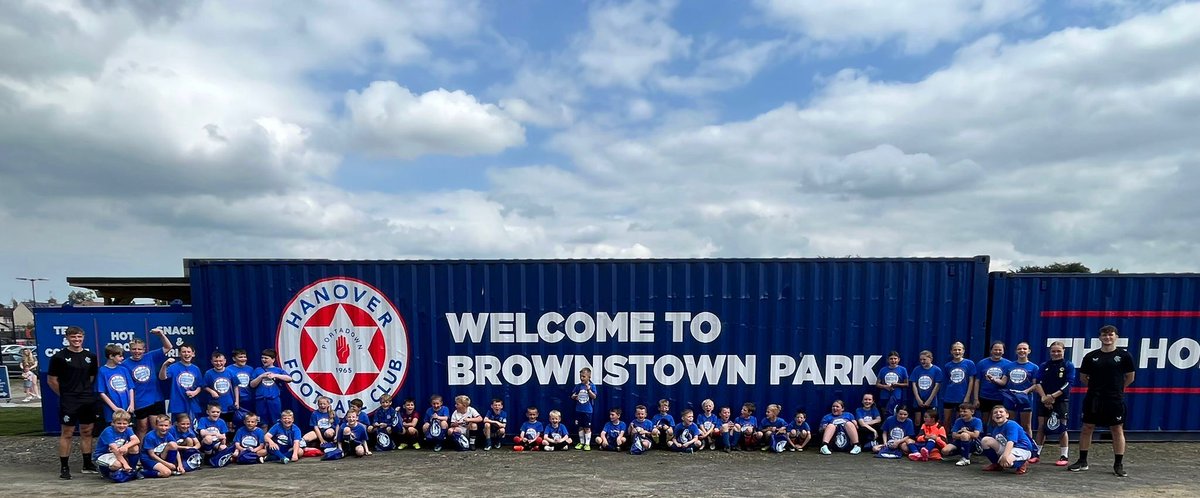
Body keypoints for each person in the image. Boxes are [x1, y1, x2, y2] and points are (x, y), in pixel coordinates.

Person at [1070, 325, 1135, 477]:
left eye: (1110, 335)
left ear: (1116, 337)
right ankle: (1082, 461)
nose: (1107, 337)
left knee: (1117, 429)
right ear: (1099, 338)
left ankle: (1118, 464)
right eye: (1104, 335)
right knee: (1087, 428)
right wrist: (1096, 388)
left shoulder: (1124, 356)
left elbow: (1130, 377)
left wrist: (1118, 389)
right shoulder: (1091, 356)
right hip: (1094, 398)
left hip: (1114, 400)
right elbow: (1083, 377)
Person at [49, 326, 100, 479]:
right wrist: (65, 395)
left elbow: (91, 377)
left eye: (79, 337)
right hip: (69, 400)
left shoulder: (90, 356)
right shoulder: (59, 357)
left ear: (83, 337)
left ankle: (87, 464)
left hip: (87, 399)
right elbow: (51, 380)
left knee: (87, 431)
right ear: (67, 338)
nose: (76, 340)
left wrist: (83, 391)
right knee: (67, 433)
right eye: (73, 337)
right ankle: (64, 467)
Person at [123, 328, 173, 442]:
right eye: (134, 349)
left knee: (157, 427)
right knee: (142, 427)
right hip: (139, 400)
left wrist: (161, 334)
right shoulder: (125, 364)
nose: (137, 351)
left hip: (155, 398)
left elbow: (168, 347)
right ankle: (140, 455)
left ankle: (157, 452)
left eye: (139, 349)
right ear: (129, 350)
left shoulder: (149, 356)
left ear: (144, 349)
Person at [1035, 340, 1076, 466]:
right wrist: (1044, 397)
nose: (1056, 353)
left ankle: (1064, 456)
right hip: (1044, 400)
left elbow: (1069, 383)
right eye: (1053, 351)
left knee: (1062, 428)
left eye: (1059, 351)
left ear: (1064, 351)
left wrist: (1052, 396)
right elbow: (1037, 382)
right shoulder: (1044, 365)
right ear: (1050, 352)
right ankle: (1036, 453)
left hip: (1061, 401)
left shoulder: (1068, 365)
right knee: (1041, 427)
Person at [981, 405, 1035, 475]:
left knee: (1005, 462)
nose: (998, 413)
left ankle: (1022, 463)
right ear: (992, 417)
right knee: (985, 440)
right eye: (995, 413)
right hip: (1009, 448)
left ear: (1007, 415)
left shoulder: (1011, 424)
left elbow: (1011, 441)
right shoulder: (995, 429)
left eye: (1001, 412)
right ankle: (996, 465)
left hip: (1022, 448)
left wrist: (1005, 456)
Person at [1004, 342, 1040, 440]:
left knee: (1026, 425)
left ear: (1029, 351)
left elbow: (1036, 385)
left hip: (1025, 398)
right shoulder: (1009, 366)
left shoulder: (1034, 367)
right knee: (1010, 423)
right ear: (1016, 351)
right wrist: (993, 379)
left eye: (1024, 349)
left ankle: (1029, 447)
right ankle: (1011, 444)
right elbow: (1004, 382)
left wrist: (1025, 391)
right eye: (1019, 349)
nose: (1022, 351)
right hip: (1010, 397)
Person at [159, 343, 202, 423]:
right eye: (184, 352)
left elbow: (200, 385)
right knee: (178, 427)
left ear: (193, 354)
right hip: (177, 404)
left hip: (192, 404)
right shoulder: (173, 367)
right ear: (179, 354)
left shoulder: (196, 369)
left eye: (189, 352)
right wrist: (164, 365)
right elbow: (162, 377)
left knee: (193, 427)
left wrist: (195, 392)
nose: (186, 354)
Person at [250, 349, 290, 428]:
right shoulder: (258, 370)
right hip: (260, 400)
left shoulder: (278, 370)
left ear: (273, 359)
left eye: (266, 358)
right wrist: (261, 376)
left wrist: (275, 375)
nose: (263, 360)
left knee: (276, 422)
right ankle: (263, 439)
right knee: (262, 423)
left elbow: (289, 379)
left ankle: (276, 439)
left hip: (274, 400)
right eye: (262, 358)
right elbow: (252, 385)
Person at [96, 344, 135, 424]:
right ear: (111, 356)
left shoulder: (124, 370)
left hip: (126, 408)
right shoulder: (102, 371)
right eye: (120, 356)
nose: (122, 358)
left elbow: (130, 388)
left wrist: (132, 404)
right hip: (111, 410)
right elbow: (101, 392)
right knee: (114, 430)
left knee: (127, 430)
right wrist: (114, 408)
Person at [93, 410, 140, 477]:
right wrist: (125, 464)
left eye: (124, 423)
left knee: (135, 448)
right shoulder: (108, 431)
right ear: (113, 423)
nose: (122, 426)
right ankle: (105, 471)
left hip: (118, 452)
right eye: (119, 423)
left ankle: (132, 469)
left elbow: (136, 440)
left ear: (128, 424)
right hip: (104, 454)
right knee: (118, 465)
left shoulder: (128, 429)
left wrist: (126, 446)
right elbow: (114, 450)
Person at [975, 341, 1014, 419]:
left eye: (1000, 350)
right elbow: (977, 381)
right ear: (991, 351)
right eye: (995, 350)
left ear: (1003, 351)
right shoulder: (982, 363)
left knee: (997, 420)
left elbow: (1005, 382)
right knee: (984, 421)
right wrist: (976, 399)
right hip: (985, 396)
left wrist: (994, 380)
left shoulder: (1009, 364)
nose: (997, 352)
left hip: (1000, 398)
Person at [942, 342, 977, 428]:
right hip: (949, 396)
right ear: (951, 351)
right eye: (955, 350)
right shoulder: (948, 365)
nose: (957, 352)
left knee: (960, 420)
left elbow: (971, 381)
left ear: (963, 351)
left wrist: (967, 397)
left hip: (962, 397)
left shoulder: (969, 363)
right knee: (946, 420)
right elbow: (946, 381)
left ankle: (957, 439)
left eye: (959, 350)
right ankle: (944, 438)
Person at [203, 351, 238, 423]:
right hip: (215, 405)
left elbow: (236, 387)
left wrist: (237, 401)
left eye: (220, 361)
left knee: (230, 427)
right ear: (211, 362)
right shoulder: (208, 373)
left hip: (229, 405)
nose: (218, 363)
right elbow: (204, 386)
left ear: (225, 361)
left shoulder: (230, 372)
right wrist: (211, 391)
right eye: (215, 361)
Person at [570, 367, 597, 451]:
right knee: (580, 427)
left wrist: (589, 390)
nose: (582, 378)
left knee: (587, 427)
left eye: (584, 376)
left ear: (589, 377)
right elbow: (572, 395)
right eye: (581, 376)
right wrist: (575, 397)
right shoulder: (578, 386)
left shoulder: (592, 386)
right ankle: (581, 442)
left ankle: (587, 444)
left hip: (587, 411)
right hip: (579, 410)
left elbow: (594, 396)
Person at [911, 350, 943, 417]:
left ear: (931, 359)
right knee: (918, 421)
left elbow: (937, 386)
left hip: (931, 401)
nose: (922, 361)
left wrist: (929, 400)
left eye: (924, 359)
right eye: (921, 359)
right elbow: (914, 385)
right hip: (918, 400)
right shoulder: (916, 369)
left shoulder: (937, 370)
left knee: (930, 419)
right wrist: (918, 399)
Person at [875, 351, 909, 416]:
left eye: (895, 358)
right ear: (888, 360)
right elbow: (877, 384)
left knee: (894, 413)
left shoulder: (902, 370)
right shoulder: (883, 370)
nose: (893, 360)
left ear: (898, 359)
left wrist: (897, 384)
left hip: (897, 396)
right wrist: (885, 387)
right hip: (884, 395)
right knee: (885, 413)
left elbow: (906, 384)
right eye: (891, 359)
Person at [228, 349, 254, 426]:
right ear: (234, 358)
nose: (243, 359)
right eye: (240, 357)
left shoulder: (250, 369)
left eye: (244, 357)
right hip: (235, 400)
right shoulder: (229, 369)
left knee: (249, 420)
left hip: (248, 399)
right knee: (236, 422)